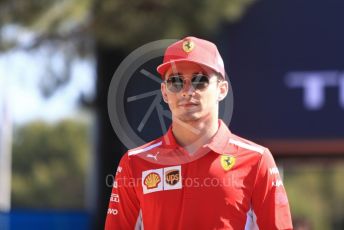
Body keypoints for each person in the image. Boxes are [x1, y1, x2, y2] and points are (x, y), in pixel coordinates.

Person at [105, 36, 293, 229]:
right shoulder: (134, 163)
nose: (187, 90)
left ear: (222, 89)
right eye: (176, 81)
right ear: (164, 92)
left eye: (200, 80)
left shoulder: (257, 160)